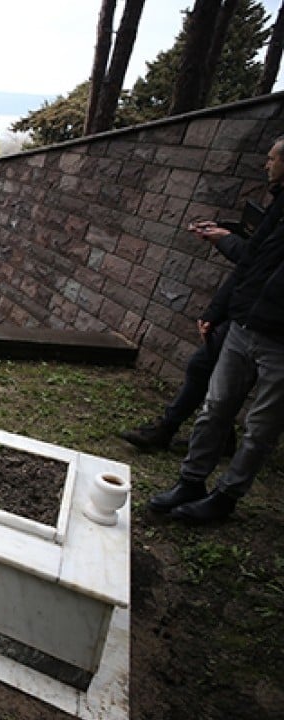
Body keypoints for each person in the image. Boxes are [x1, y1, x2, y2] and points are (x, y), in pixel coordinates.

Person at [147, 135, 284, 523]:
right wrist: (220, 310)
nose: (266, 164)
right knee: (215, 407)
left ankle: (226, 497)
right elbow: (253, 266)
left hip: (279, 339)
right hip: (244, 324)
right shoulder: (278, 204)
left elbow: (257, 260)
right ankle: (191, 481)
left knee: (260, 429)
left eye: (273, 158)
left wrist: (225, 241)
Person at [121, 223, 248, 452]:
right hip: (242, 311)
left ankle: (173, 430)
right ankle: (217, 437)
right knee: (211, 371)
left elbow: (256, 259)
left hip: (259, 319)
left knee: (211, 371)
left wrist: (226, 239)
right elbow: (244, 271)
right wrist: (215, 312)